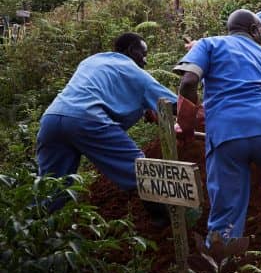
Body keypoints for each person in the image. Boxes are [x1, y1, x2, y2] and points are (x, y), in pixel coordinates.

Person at [174, 9, 261, 257]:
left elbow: (188, 82)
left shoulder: (209, 45)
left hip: (227, 134)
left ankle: (223, 268)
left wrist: (186, 126)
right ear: (254, 30)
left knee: (227, 202)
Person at [36, 32, 176, 226]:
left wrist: (144, 109)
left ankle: (42, 236)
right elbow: (172, 104)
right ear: (130, 51)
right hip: (86, 120)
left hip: (52, 119)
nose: (145, 61)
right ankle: (164, 223)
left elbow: (104, 91)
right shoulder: (132, 69)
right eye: (143, 54)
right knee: (141, 169)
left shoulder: (92, 61)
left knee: (52, 187)